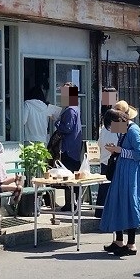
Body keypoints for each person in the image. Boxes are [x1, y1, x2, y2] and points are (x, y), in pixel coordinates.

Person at [99, 105, 140, 256]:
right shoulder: (125, 130)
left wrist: (119, 150)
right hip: (123, 172)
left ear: (119, 121)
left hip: (132, 174)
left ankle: (131, 244)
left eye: (112, 126)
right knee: (118, 203)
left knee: (129, 204)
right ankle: (119, 241)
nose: (112, 129)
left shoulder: (133, 130)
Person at [55, 82, 82, 211]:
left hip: (68, 147)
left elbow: (67, 128)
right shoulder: (75, 108)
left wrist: (57, 122)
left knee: (68, 176)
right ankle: (73, 202)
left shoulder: (70, 110)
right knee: (73, 175)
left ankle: (70, 203)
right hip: (74, 147)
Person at [94, 106, 121, 217]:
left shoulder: (103, 129)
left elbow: (99, 144)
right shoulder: (120, 127)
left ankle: (100, 212)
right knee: (114, 188)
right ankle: (112, 213)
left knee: (103, 188)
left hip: (104, 160)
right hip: (114, 161)